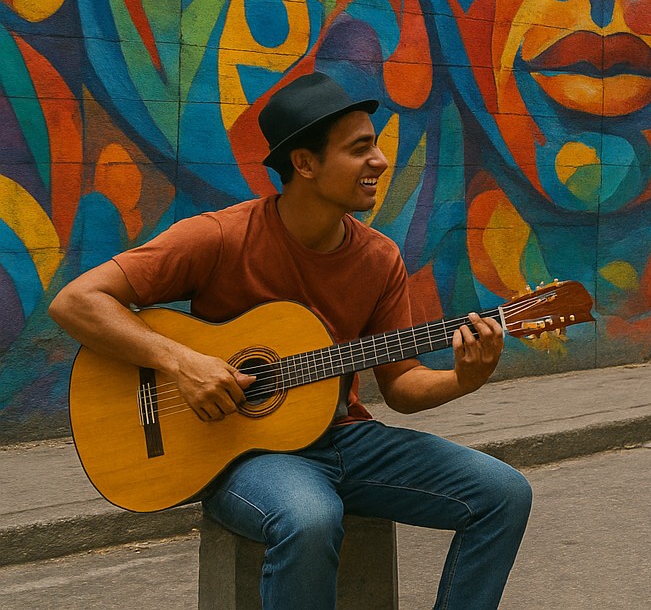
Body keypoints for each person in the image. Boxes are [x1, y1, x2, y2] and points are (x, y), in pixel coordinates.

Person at [49, 72, 533, 610]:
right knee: (308, 518)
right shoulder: (218, 236)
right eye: (359, 149)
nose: (379, 161)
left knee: (503, 494)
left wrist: (465, 377)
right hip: (242, 455)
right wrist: (182, 363)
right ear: (304, 164)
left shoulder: (379, 258)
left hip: (345, 440)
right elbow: (75, 301)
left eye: (375, 145)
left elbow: (401, 385)